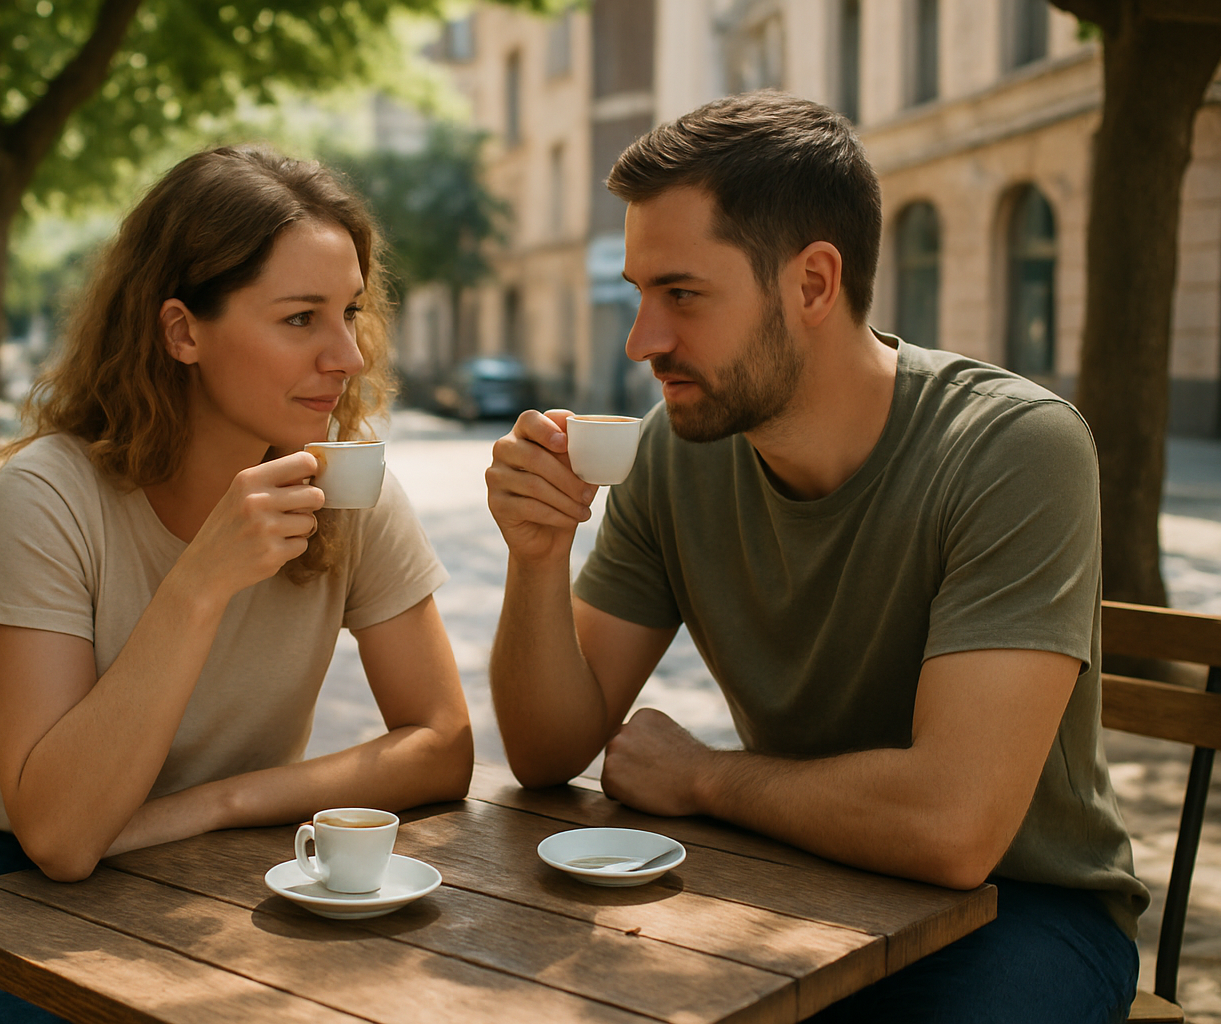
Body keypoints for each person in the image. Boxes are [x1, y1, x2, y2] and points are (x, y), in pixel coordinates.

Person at [484, 92, 1147, 1022]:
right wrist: (538, 553)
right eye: (640, 296)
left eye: (681, 295)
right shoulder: (677, 453)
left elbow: (953, 829)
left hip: (1023, 909)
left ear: (812, 284)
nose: (644, 343)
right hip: (792, 872)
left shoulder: (1014, 448)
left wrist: (707, 778)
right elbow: (549, 750)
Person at [0, 147, 474, 1024]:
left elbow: (441, 744)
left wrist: (221, 804)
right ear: (182, 332)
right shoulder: (51, 493)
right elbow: (59, 836)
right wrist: (198, 584)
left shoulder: (346, 490)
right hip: (12, 886)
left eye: (350, 312)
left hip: (236, 858)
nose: (347, 356)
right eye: (299, 319)